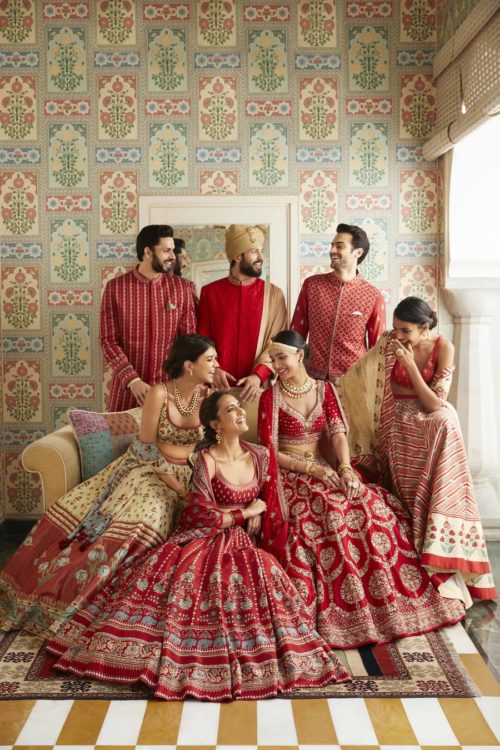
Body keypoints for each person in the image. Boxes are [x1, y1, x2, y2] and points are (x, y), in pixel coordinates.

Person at [46, 391, 350, 701]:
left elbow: (268, 497)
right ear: (216, 424)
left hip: (241, 542)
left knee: (265, 572)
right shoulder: (206, 459)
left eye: (239, 407)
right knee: (188, 585)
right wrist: (245, 513)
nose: (241, 413)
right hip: (200, 539)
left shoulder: (259, 454)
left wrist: (258, 511)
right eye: (232, 410)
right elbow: (198, 514)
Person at [258, 330, 466, 648]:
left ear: (300, 356)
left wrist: (344, 468)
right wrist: (310, 469)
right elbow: (270, 451)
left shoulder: (324, 389)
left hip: (327, 468)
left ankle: (388, 605)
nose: (276, 365)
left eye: (281, 357)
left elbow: (339, 433)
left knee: (369, 505)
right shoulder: (270, 397)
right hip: (292, 476)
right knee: (329, 510)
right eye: (272, 359)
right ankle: (345, 613)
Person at [0, 335, 217, 639]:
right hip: (150, 471)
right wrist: (168, 480)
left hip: (192, 474)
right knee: (146, 518)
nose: (216, 365)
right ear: (188, 365)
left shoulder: (211, 396)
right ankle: (80, 602)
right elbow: (144, 448)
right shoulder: (159, 394)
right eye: (210, 359)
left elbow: (218, 441)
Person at [336, 297, 496, 604]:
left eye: (405, 330)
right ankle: (409, 568)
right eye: (395, 329)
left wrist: (409, 366)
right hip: (396, 423)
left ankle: (442, 556)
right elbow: (358, 377)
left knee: (446, 421)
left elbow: (435, 402)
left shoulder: (443, 347)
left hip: (425, 420)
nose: (397, 336)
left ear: (425, 327)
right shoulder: (389, 344)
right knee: (407, 493)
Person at [100, 224, 197, 411]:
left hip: (171, 390)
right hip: (128, 390)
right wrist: (133, 380)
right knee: (122, 439)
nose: (172, 256)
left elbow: (189, 341)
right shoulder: (116, 288)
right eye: (166, 250)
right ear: (147, 252)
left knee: (170, 440)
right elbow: (108, 341)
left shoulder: (182, 288)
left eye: (173, 250)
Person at [197, 224, 288, 402]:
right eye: (254, 251)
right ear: (238, 256)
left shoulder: (274, 295)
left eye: (261, 251)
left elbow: (278, 342)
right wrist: (213, 369)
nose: (261, 257)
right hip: (217, 390)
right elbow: (202, 338)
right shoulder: (210, 292)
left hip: (258, 389)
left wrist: (258, 375)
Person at [291, 223, 386, 380]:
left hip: (353, 381)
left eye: (339, 246)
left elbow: (378, 350)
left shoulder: (373, 296)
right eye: (332, 245)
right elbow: (296, 334)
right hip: (311, 380)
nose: (332, 250)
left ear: (358, 252)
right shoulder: (312, 285)